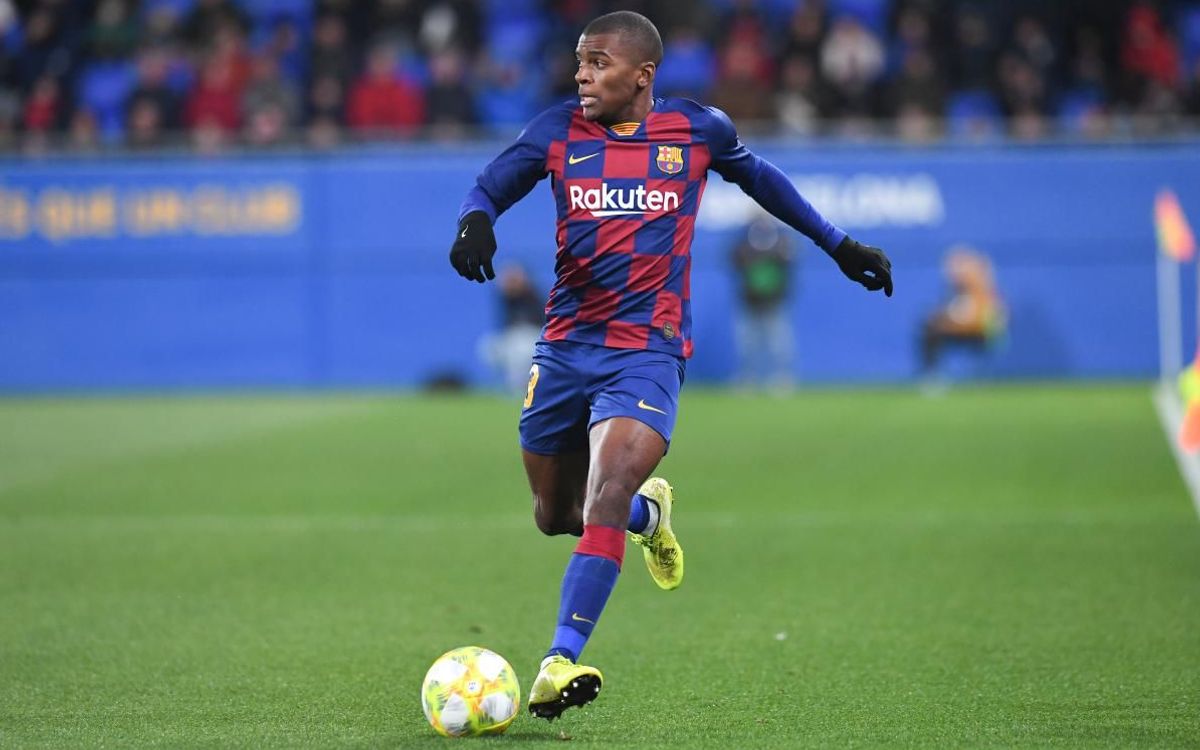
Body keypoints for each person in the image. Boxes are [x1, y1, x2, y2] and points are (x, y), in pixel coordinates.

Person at [447, 11, 893, 721]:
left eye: (598, 63)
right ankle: (648, 514)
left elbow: (763, 180)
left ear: (642, 75)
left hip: (647, 351)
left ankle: (559, 660)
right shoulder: (558, 130)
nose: (582, 75)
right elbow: (490, 185)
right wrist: (476, 221)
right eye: (580, 61)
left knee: (606, 488)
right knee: (554, 514)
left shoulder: (696, 130)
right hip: (566, 346)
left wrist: (838, 244)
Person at [919, 245, 1006, 384]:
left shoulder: (983, 292)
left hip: (979, 333)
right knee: (929, 329)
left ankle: (984, 375)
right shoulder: (954, 292)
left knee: (934, 329)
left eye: (958, 266)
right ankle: (932, 375)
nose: (953, 272)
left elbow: (981, 319)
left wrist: (948, 324)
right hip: (958, 330)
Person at [731, 214, 797, 390]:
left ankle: (782, 378)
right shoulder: (744, 245)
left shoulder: (781, 243)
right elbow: (735, 259)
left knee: (778, 343)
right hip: (751, 302)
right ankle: (749, 378)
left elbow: (789, 260)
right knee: (748, 344)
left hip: (773, 302)